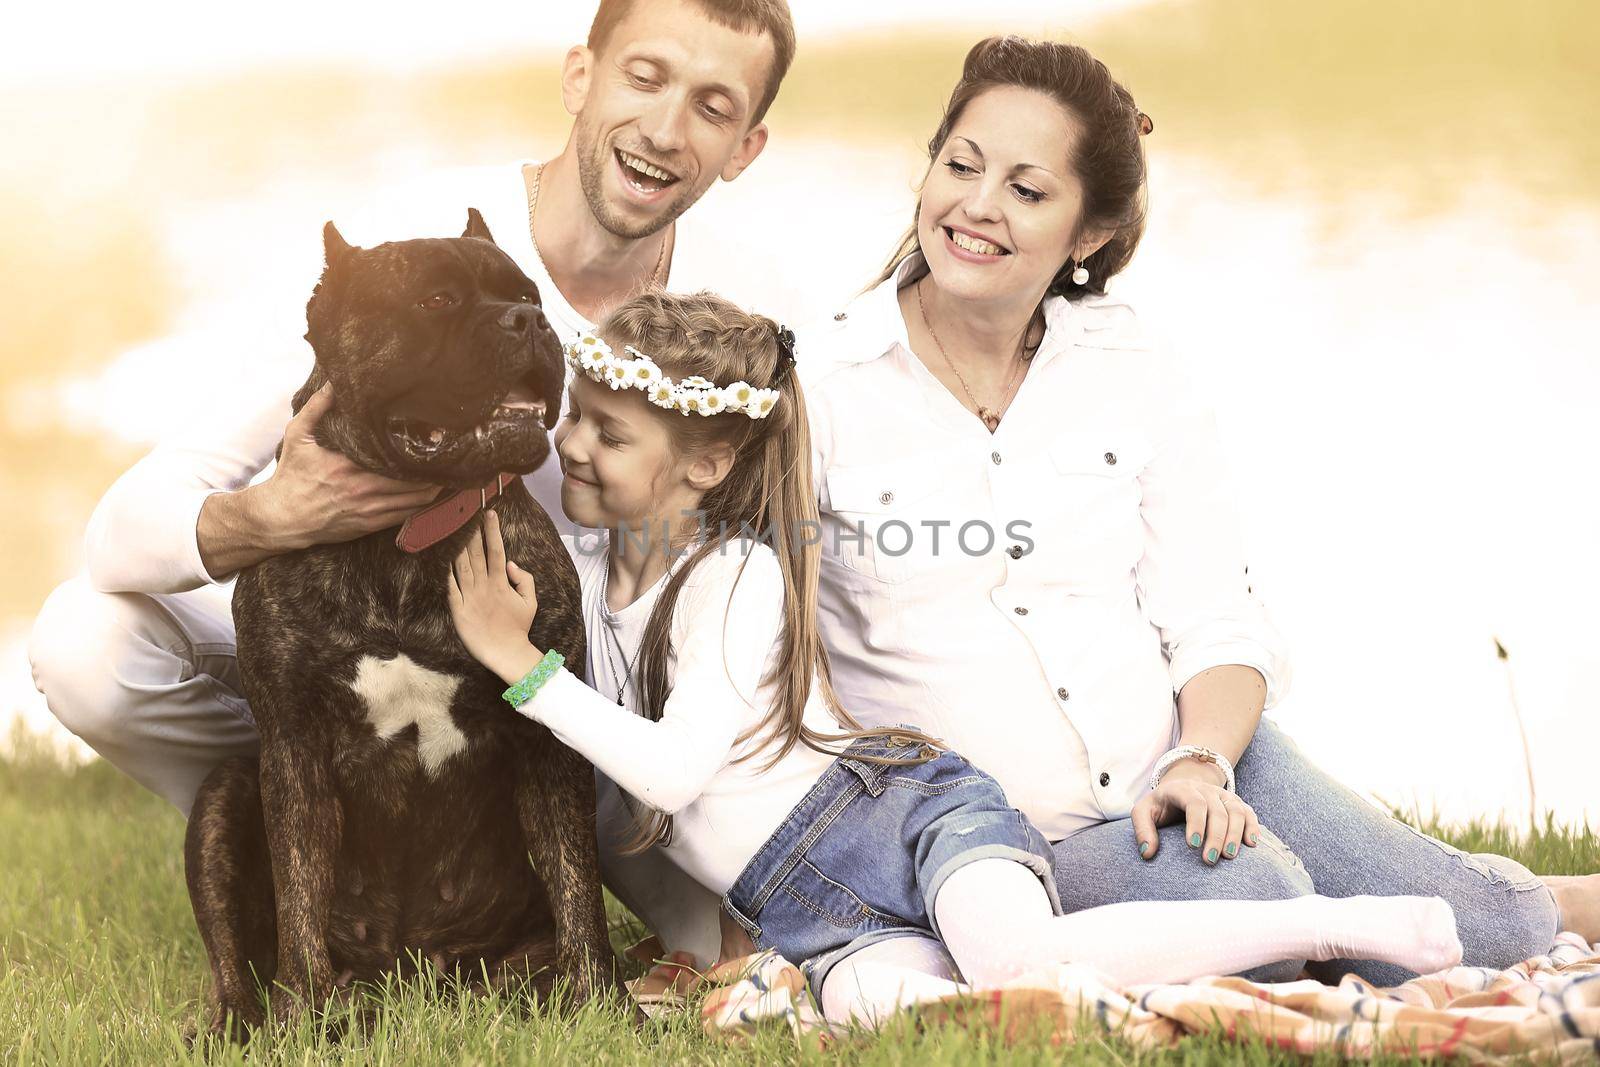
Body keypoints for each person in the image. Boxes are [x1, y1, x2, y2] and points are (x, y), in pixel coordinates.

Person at [799, 34, 1597, 991]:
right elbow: (769, 669)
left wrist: (1199, 760)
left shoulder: (1130, 367)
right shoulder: (820, 388)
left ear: (1086, 234)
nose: (977, 205)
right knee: (1267, 905)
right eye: (959, 166)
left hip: (1197, 758)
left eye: (1027, 188)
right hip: (1005, 848)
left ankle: (1534, 898)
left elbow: (1214, 615)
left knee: (1497, 929)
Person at [444, 287, 1465, 1028]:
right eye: (575, 415)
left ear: (706, 465)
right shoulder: (588, 572)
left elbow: (668, 769)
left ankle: (1339, 925)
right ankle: (1228, 1001)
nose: (570, 444)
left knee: (1013, 954)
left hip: (895, 820)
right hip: (809, 910)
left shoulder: (736, 576)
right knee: (903, 1019)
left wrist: (521, 667)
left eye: (607, 432)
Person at [26, 0, 795, 971]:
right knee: (85, 640)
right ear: (579, 76)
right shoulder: (407, 253)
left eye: (712, 104)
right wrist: (279, 511)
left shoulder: (743, 317)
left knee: (728, 944)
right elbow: (121, 531)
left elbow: (794, 567)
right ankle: (300, 858)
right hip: (348, 637)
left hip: (571, 699)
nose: (665, 127)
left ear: (745, 145)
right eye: (645, 76)